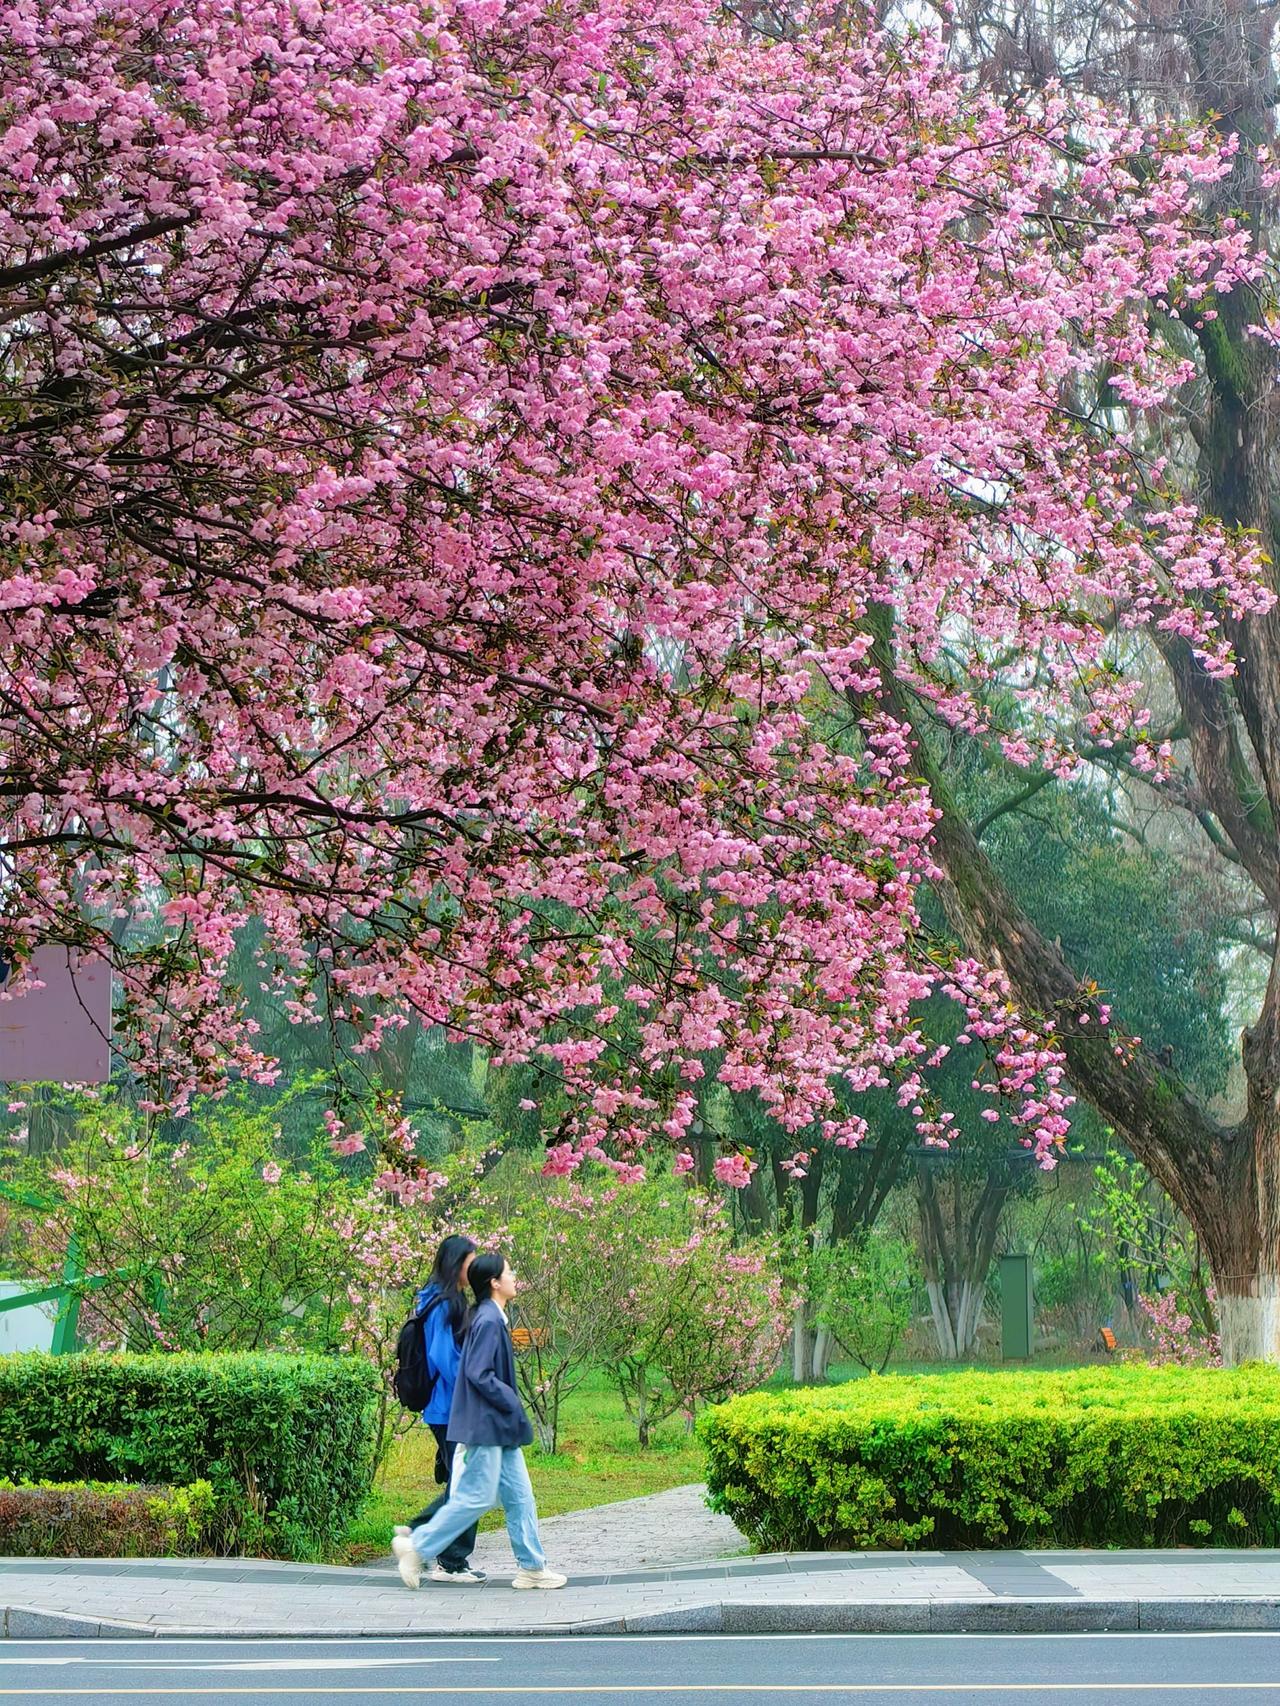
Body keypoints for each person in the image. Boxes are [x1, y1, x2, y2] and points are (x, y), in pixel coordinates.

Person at [392, 1251, 567, 1591]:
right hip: (485, 1428)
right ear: (495, 1283)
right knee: (476, 1498)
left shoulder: (491, 1316)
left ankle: (532, 1567)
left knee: (520, 1497)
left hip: (497, 1429)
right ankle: (417, 1547)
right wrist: (510, 1401)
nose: (515, 1277)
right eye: (509, 1272)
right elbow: (477, 1373)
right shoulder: (488, 1320)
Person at [391, 1234, 485, 1585]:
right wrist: (475, 1386)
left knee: (465, 1484)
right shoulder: (444, 1303)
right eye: (469, 1262)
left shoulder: (436, 1299)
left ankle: (425, 1543)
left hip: (445, 1406)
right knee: (468, 1486)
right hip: (451, 1407)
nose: (472, 1269)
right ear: (455, 1263)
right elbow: (442, 1357)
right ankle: (443, 1554)